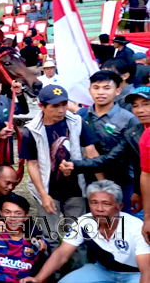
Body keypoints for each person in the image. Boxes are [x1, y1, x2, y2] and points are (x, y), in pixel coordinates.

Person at [19, 84, 99, 273]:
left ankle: (80, 273)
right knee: (50, 236)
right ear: (42, 106)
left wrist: (100, 184)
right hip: (48, 190)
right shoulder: (31, 130)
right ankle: (54, 274)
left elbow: (91, 153)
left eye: (64, 104)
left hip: (75, 189)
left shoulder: (77, 122)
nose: (61, 110)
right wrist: (43, 195)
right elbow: (32, 163)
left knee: (78, 235)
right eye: (54, 106)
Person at [20, 180, 150, 283]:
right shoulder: (83, 222)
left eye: (106, 203)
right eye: (94, 202)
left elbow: (146, 270)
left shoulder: (136, 228)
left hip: (135, 273)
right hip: (102, 269)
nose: (99, 209)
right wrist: (38, 278)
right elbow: (62, 254)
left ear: (119, 207)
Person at [60, 86, 150, 221]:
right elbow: (109, 160)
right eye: (135, 106)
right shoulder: (133, 133)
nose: (140, 110)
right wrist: (75, 165)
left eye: (146, 104)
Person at [74, 71, 140, 213]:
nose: (100, 92)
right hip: (89, 180)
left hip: (122, 182)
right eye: (96, 87)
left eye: (106, 88)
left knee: (122, 224)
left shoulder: (128, 119)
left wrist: (137, 189)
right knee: (93, 224)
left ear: (117, 91)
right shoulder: (81, 116)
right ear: (89, 90)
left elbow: (135, 156)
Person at [0, 193, 49, 283]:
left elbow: (45, 272)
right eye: (7, 212)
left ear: (26, 217)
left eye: (18, 213)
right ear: (0, 213)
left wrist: (43, 251)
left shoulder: (35, 238)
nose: (12, 217)